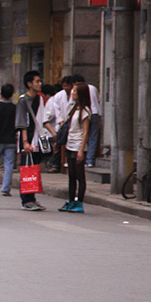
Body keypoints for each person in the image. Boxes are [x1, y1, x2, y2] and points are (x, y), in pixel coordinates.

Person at [15, 70, 50, 211]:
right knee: (27, 169)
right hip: (28, 139)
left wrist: (53, 134)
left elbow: (43, 120)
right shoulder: (23, 100)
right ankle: (26, 200)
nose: (40, 84)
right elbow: (22, 122)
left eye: (40, 81)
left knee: (34, 169)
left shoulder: (40, 99)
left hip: (38, 139)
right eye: (37, 81)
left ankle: (32, 197)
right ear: (29, 84)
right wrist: (25, 142)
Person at [59, 82, 93, 213]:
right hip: (70, 144)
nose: (72, 93)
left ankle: (80, 202)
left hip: (78, 145)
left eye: (75, 91)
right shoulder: (73, 109)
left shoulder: (85, 111)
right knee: (71, 175)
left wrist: (81, 150)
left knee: (80, 175)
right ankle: (71, 200)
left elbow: (85, 132)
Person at [72, 73, 101, 167]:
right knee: (93, 137)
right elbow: (98, 99)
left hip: (85, 112)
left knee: (84, 134)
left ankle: (86, 158)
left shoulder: (80, 89)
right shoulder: (93, 88)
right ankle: (89, 160)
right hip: (95, 112)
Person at [45, 76, 74, 172]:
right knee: (58, 142)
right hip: (61, 123)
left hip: (72, 121)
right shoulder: (58, 96)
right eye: (64, 86)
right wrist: (61, 122)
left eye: (67, 86)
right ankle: (56, 164)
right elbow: (57, 112)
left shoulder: (75, 94)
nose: (66, 88)